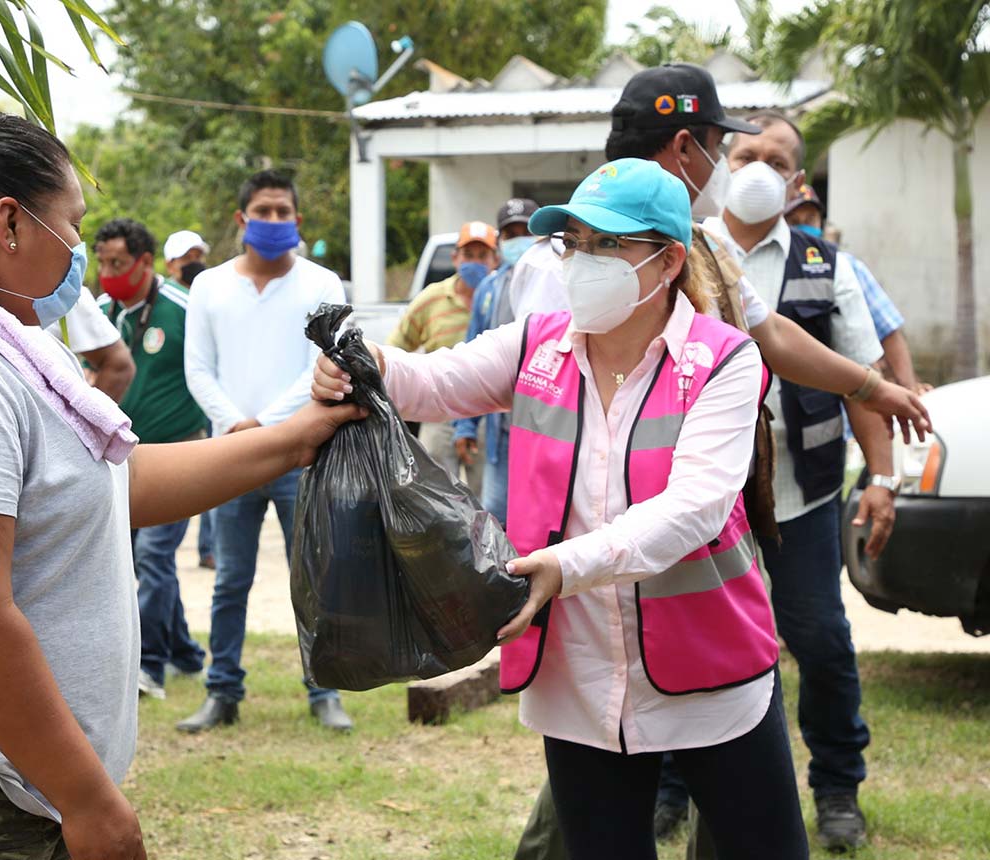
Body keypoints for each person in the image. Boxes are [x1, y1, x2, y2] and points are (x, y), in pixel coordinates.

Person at [0, 89, 361, 860]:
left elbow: (119, 484)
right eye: (76, 224)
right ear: (11, 221)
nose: (82, 253)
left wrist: (298, 439)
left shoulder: (14, 347)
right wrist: (89, 800)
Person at [316, 159, 809, 860]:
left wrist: (564, 565)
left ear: (667, 261)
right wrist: (362, 360)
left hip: (711, 671)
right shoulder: (537, 343)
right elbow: (432, 383)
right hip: (578, 675)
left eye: (609, 245)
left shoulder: (725, 360)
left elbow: (694, 509)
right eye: (573, 242)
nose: (582, 261)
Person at [509, 62, 929, 860]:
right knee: (591, 789)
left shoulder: (693, 249)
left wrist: (872, 386)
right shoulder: (571, 261)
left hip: (696, 560)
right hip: (604, 566)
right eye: (721, 149)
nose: (731, 171)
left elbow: (772, 339)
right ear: (686, 148)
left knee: (721, 764)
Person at [702, 109, 891, 851]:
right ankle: (677, 789)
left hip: (806, 496)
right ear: (721, 164)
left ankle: (838, 788)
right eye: (744, 153)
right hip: (711, 498)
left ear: (797, 181)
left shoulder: (825, 262)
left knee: (819, 639)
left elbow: (862, 382)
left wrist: (881, 476)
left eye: (775, 160)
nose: (756, 168)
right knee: (699, 639)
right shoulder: (684, 251)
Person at [181, 169, 351, 734]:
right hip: (228, 455)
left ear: (298, 221)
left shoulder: (323, 284)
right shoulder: (208, 286)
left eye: (284, 212)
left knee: (315, 573)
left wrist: (264, 427)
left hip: (303, 453)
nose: (274, 221)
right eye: (264, 211)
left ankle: (324, 691)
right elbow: (198, 370)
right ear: (241, 219)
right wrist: (238, 426)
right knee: (231, 577)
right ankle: (221, 691)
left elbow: (321, 368)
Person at [93, 217, 207, 701]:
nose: (107, 273)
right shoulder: (97, 312)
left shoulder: (186, 309)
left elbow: (207, 374)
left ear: (145, 262)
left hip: (177, 453)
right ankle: (185, 652)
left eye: (117, 263)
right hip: (120, 461)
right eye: (101, 262)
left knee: (154, 557)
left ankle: (149, 667)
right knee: (142, 563)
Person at [388, 220, 500, 497]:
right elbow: (396, 348)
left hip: (488, 413)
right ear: (455, 258)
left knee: (487, 498)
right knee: (435, 495)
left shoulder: (503, 299)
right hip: (438, 409)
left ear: (495, 259)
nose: (474, 262)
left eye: (482, 256)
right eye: (468, 255)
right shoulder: (432, 300)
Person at [785, 184, 926, 393]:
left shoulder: (844, 266)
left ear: (821, 223)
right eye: (794, 222)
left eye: (810, 220)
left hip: (847, 400)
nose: (804, 228)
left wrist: (909, 388)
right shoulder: (773, 269)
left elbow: (888, 329)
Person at [452, 199, 539, 524]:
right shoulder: (489, 289)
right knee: (495, 520)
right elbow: (473, 356)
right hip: (501, 433)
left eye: (525, 232)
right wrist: (465, 425)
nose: (518, 240)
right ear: (501, 242)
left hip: (547, 426)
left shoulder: (557, 281)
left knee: (540, 520)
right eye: (510, 233)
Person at [164, 228, 216, 568]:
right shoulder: (169, 304)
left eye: (198, 256)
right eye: (186, 258)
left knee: (213, 481)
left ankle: (209, 548)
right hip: (177, 417)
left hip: (209, 406)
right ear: (170, 265)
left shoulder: (211, 301)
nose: (193, 263)